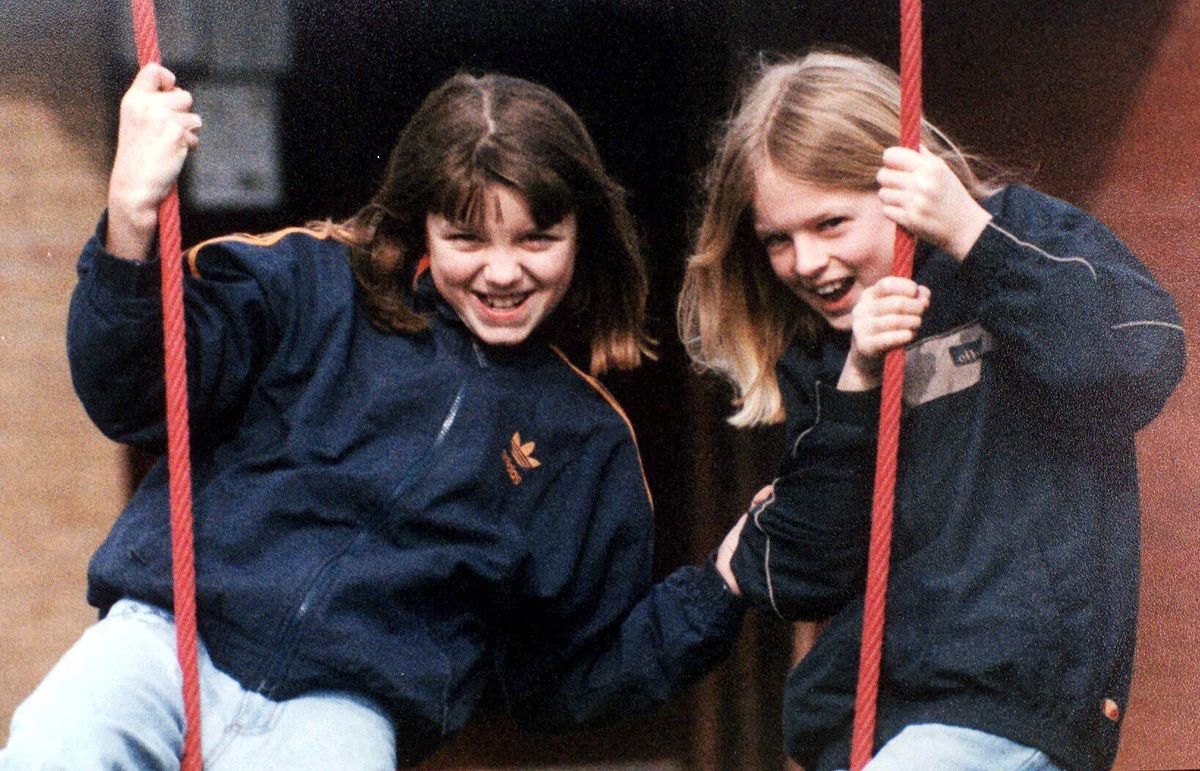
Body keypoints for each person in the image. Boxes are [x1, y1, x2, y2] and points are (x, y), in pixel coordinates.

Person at [1, 63, 745, 769]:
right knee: (51, 745)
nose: (502, 269)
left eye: (537, 238)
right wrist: (130, 216)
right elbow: (131, 391)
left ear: (584, 233)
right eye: (466, 237)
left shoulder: (585, 440)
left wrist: (720, 588)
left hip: (343, 707)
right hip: (166, 640)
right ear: (422, 223)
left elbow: (571, 672)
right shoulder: (306, 284)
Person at [678, 48, 1185, 771]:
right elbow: (807, 575)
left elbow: (1136, 363)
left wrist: (970, 237)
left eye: (830, 223)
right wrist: (855, 382)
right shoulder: (823, 348)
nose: (806, 261)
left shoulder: (1013, 233)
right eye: (778, 240)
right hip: (869, 712)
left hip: (1004, 698)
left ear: (903, 185)